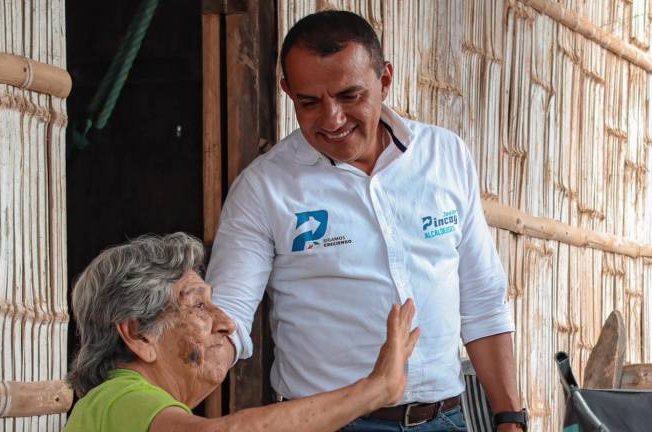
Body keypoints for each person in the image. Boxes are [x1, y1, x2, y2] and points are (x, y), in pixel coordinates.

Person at [206, 10, 527, 432]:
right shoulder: (264, 188)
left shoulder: (444, 156)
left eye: (350, 96)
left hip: (446, 419)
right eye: (309, 102)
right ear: (287, 91)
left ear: (385, 81)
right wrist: (181, 371)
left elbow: (482, 299)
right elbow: (227, 316)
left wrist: (510, 416)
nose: (332, 119)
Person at [64, 232, 420, 432]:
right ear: (138, 334)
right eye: (199, 306)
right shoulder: (117, 399)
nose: (227, 322)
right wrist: (375, 389)